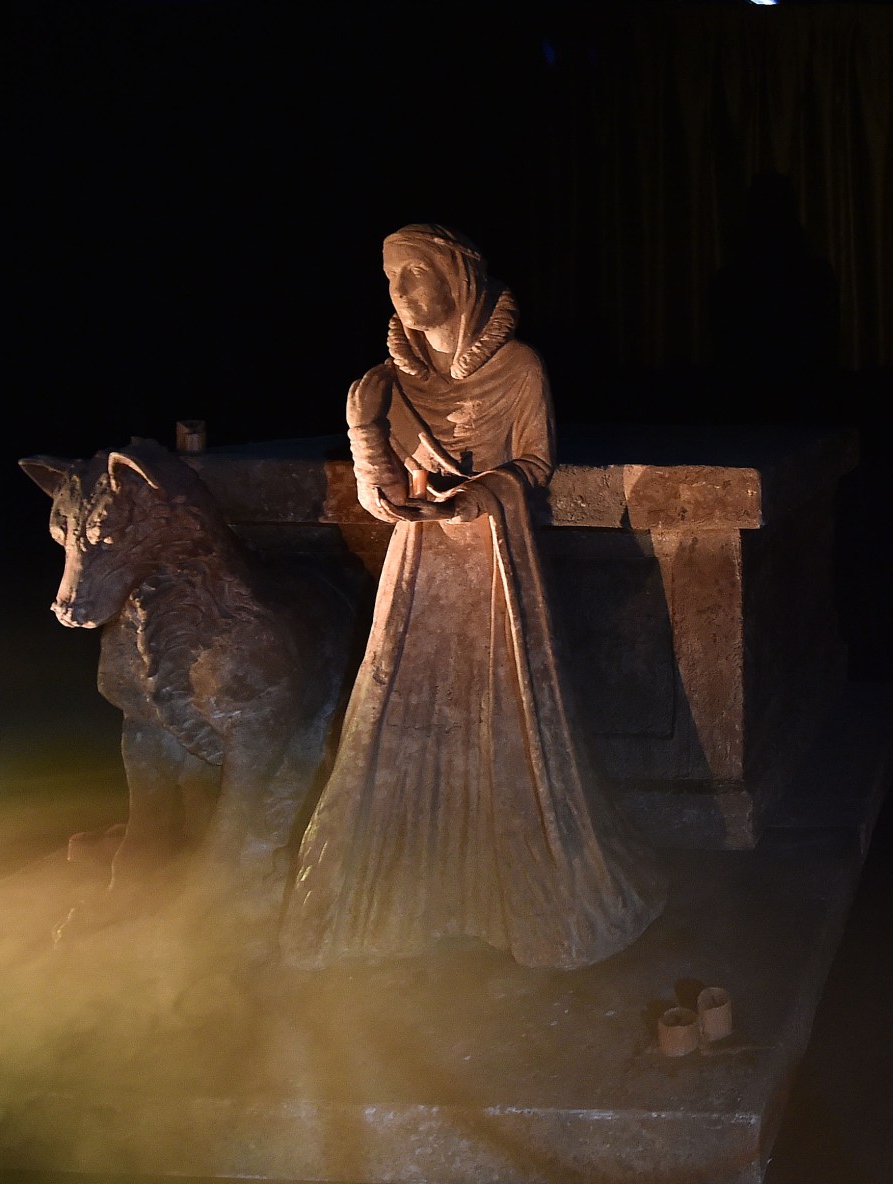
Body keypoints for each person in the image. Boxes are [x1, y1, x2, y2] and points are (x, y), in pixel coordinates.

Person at [282, 224, 663, 970]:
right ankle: (401, 896)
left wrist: (478, 496)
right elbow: (384, 499)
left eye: (415, 272)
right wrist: (365, 436)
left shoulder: (518, 367)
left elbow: (536, 460)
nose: (400, 291)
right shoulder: (385, 384)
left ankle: (525, 894)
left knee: (509, 712)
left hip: (495, 566)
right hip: (421, 576)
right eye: (390, 278)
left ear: (460, 276)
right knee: (403, 716)